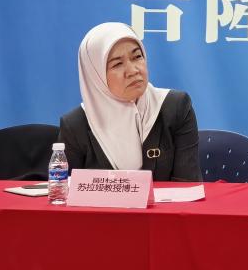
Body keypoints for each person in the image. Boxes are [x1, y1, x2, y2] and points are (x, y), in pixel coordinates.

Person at [59, 22, 201, 182]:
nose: (133, 71)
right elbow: (65, 191)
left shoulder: (175, 107)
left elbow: (188, 186)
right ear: (96, 75)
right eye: (117, 64)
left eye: (137, 57)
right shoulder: (75, 126)